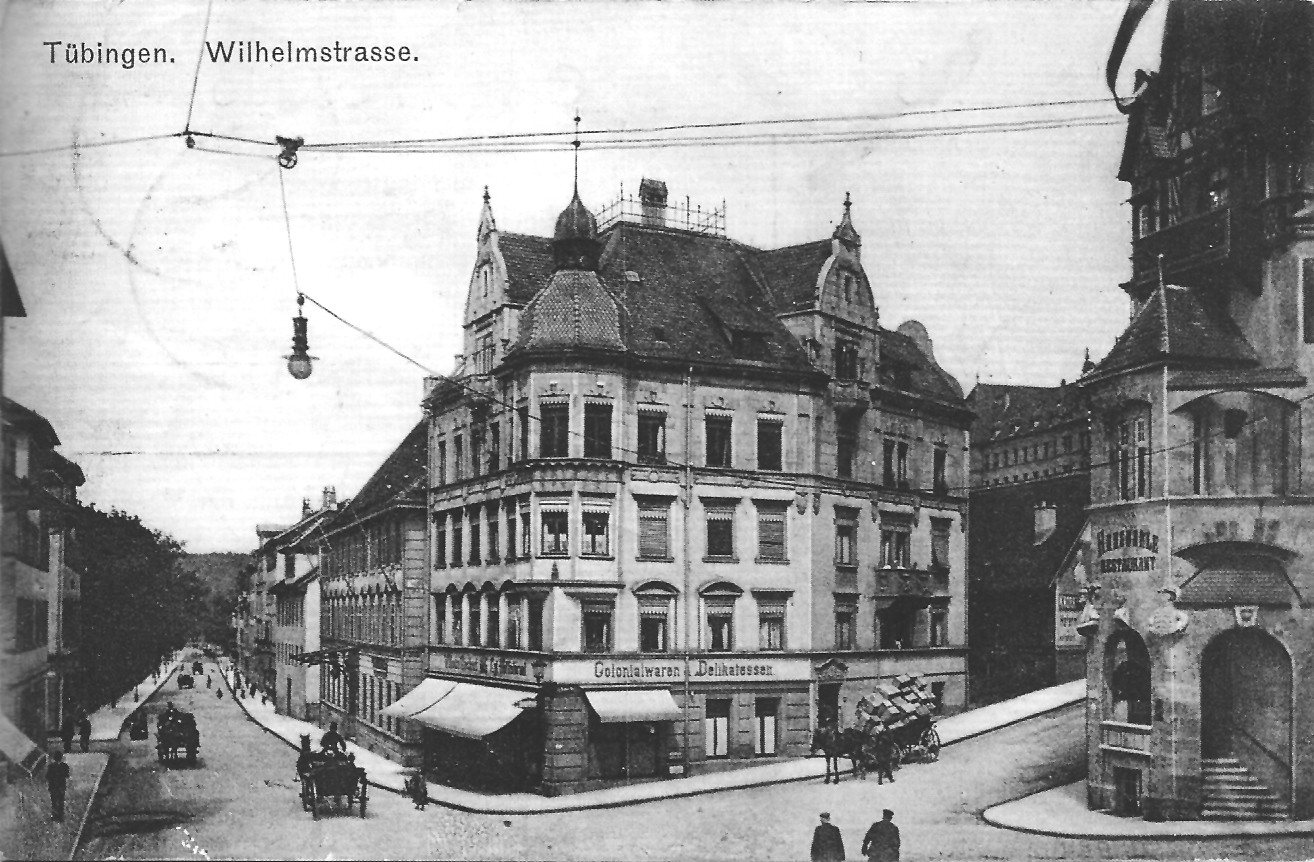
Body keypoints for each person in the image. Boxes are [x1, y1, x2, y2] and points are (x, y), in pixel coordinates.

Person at [47, 750, 70, 822]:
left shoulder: (50, 766)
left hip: (53, 786)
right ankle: (60, 816)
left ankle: (54, 815)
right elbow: (67, 775)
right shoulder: (65, 766)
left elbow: (47, 776)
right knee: (61, 800)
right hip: (61, 786)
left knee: (54, 801)